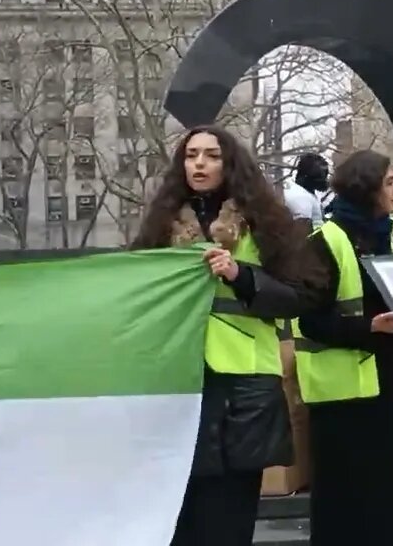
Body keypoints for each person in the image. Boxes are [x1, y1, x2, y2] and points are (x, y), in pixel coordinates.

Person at [129, 124, 304, 546]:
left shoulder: (266, 223)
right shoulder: (160, 226)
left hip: (247, 384)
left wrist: (240, 274)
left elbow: (297, 296)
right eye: (191, 155)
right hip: (181, 380)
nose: (199, 164)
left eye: (210, 155)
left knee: (230, 515)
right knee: (183, 514)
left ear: (229, 163)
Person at [293, 150, 393, 546]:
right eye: (390, 182)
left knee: (385, 496)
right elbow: (309, 319)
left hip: (381, 377)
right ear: (368, 189)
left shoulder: (384, 235)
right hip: (340, 393)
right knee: (343, 504)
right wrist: (368, 327)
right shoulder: (326, 240)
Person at [284, 152, 329, 228]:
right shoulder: (300, 197)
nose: (324, 178)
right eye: (320, 174)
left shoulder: (308, 193)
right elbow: (302, 233)